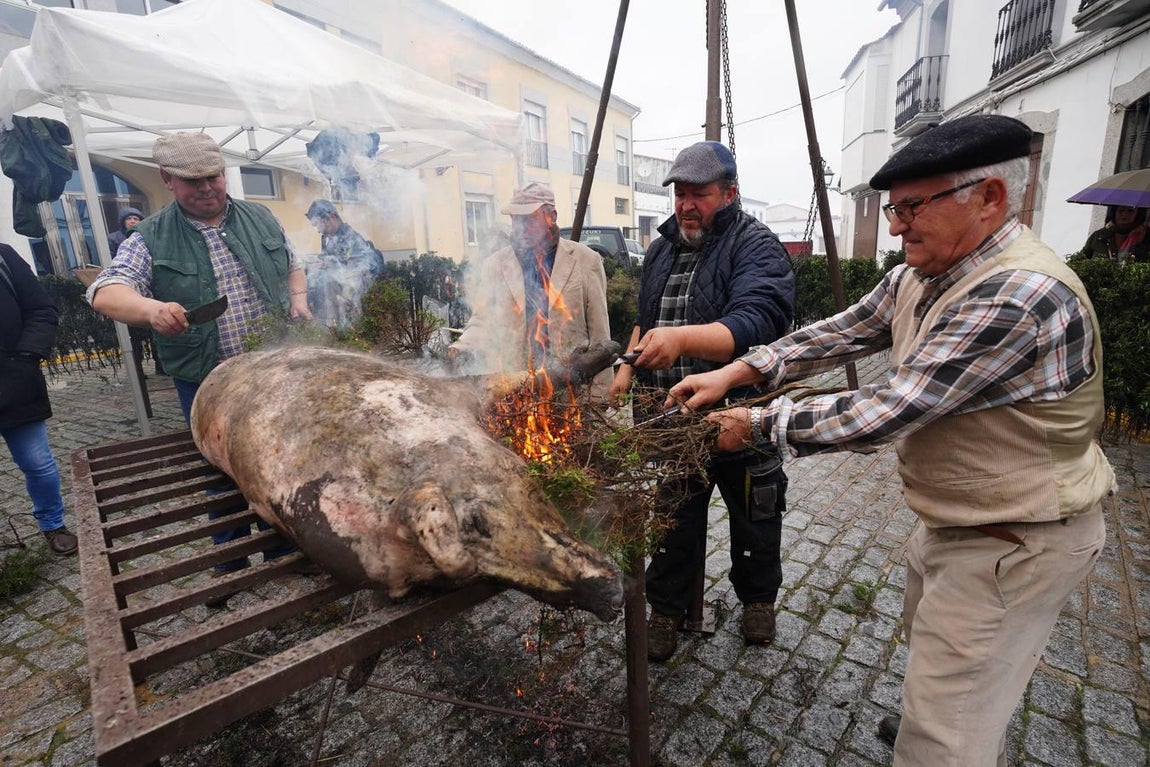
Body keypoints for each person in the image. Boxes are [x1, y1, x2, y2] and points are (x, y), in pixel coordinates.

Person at [667, 115, 1114, 765]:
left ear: (990, 197)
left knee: (948, 733)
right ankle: (928, 719)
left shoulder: (1020, 294)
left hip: (1019, 535)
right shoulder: (922, 273)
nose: (897, 225)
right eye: (892, 207)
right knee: (934, 654)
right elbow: (841, 332)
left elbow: (889, 408)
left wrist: (758, 422)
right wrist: (740, 370)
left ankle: (935, 740)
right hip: (961, 519)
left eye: (912, 207)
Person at [87, 132, 313, 577]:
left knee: (278, 459)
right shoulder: (150, 237)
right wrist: (152, 310)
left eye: (213, 176)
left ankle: (280, 551)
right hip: (206, 379)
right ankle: (228, 563)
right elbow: (104, 291)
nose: (206, 187)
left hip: (271, 370)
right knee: (219, 470)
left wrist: (299, 299)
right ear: (167, 180)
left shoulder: (261, 217)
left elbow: (293, 264)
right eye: (193, 181)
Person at [607, 141, 795, 662]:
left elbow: (755, 322)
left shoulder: (756, 245)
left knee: (757, 512)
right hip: (670, 416)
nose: (687, 205)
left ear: (731, 193)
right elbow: (647, 319)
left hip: (738, 411)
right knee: (673, 517)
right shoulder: (661, 248)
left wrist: (684, 340)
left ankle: (758, 601)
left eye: (700, 194)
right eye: (681, 194)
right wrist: (627, 363)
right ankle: (665, 610)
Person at [446, 182, 613, 399]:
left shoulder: (586, 260)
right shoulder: (494, 265)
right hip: (516, 390)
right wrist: (457, 349)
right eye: (516, 219)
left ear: (551, 216)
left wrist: (599, 398)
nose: (520, 227)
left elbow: (600, 336)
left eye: (529, 219)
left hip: (572, 393)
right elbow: (482, 322)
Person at [0, 244, 77, 555]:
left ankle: (52, 523)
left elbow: (41, 309)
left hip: (15, 380)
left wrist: (26, 356)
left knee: (38, 463)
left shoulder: (4, 257)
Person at [304, 199, 384, 328]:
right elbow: (328, 257)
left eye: (318, 224)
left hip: (352, 295)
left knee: (350, 325)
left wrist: (331, 262)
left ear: (330, 216)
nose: (318, 230)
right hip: (334, 295)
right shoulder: (326, 237)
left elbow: (364, 266)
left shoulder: (351, 237)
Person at [1081, 204, 1148, 263]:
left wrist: (1139, 244)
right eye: (1121, 210)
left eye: (1130, 211)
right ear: (1114, 212)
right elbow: (1080, 260)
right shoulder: (1099, 236)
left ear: (1138, 215)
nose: (1124, 214)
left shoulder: (1145, 238)